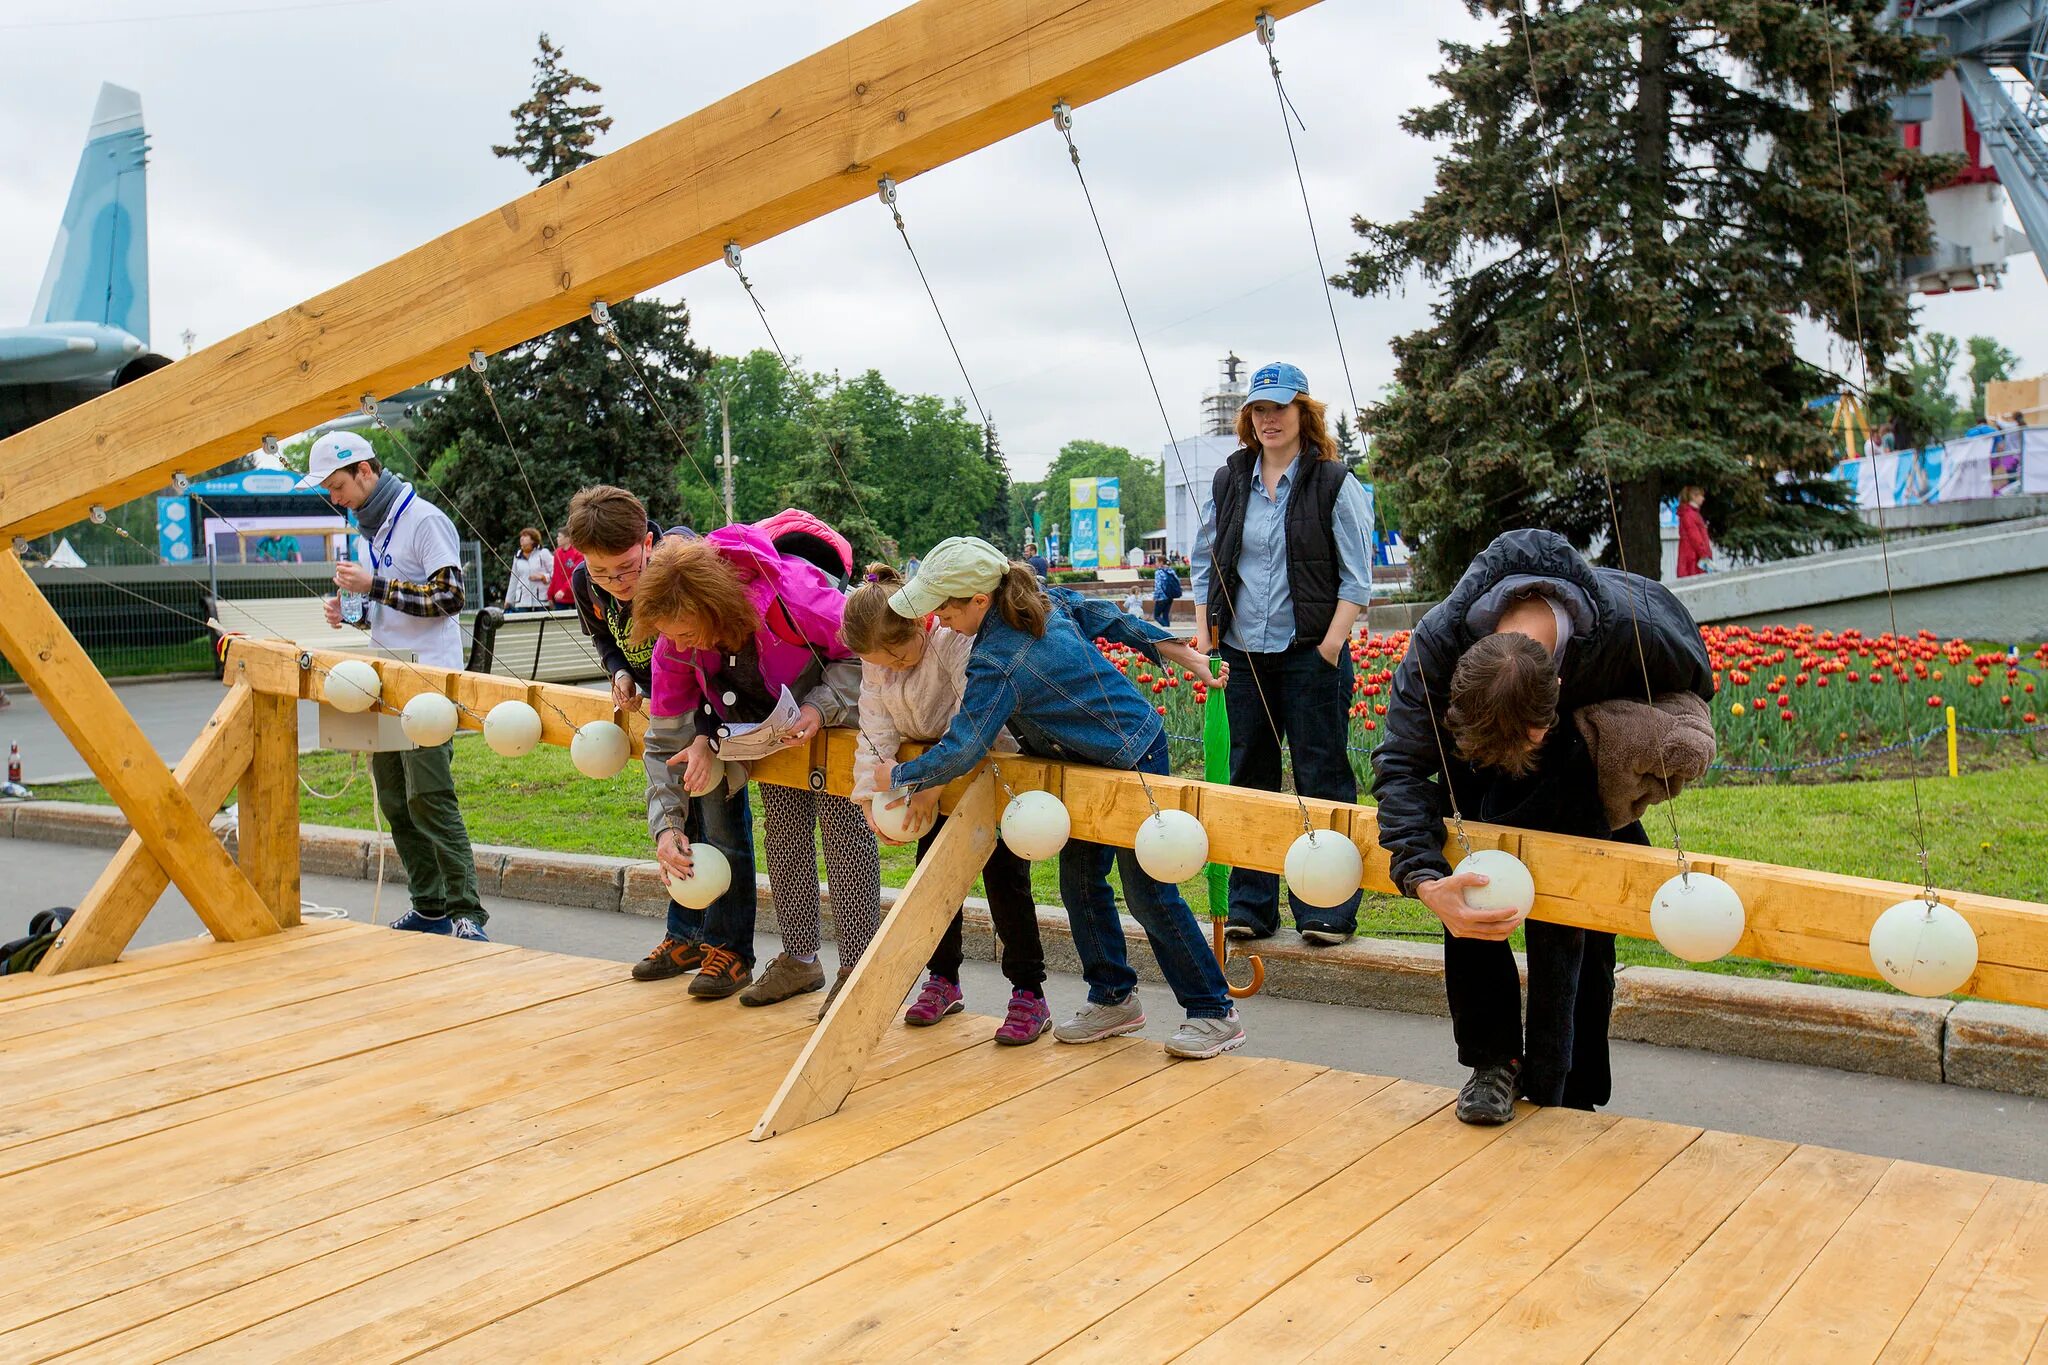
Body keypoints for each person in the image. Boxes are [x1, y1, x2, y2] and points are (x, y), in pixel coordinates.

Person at [1373, 528, 1712, 1124]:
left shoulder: (1637, 630)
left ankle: (1574, 1082)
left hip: (1582, 761)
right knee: (1473, 890)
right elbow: (1401, 764)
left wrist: (1638, 755)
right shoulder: (1437, 645)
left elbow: (1696, 688)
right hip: (1479, 773)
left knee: (1585, 918)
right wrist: (1425, 880)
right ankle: (1493, 1061)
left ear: (1551, 698)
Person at [885, 537, 1247, 1060]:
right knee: (1079, 885)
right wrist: (1184, 654)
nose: (938, 620)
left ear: (980, 600)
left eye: (944, 608)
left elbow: (964, 746)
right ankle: (1113, 997)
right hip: (1081, 765)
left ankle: (1213, 1010)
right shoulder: (1033, 600)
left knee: (1148, 892)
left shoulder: (999, 657)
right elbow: (1108, 617)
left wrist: (896, 775)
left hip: (1132, 754)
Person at [633, 527, 879, 1018]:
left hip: (835, 723)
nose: (676, 644)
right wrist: (667, 827)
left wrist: (821, 705)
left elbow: (863, 650)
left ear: (711, 606)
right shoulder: (673, 644)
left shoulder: (796, 598)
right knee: (784, 835)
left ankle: (860, 971)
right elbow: (663, 741)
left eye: (684, 633)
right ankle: (800, 960)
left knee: (843, 834)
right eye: (669, 635)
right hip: (772, 734)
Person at [1192, 361, 1374, 946]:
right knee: (1249, 778)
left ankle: (1327, 907)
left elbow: (1357, 578)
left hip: (1309, 654)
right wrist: (1205, 635)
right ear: (1249, 418)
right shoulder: (1230, 479)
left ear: (1303, 413)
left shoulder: (1334, 483)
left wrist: (1329, 647)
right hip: (1244, 655)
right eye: (1259, 410)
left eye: (1280, 408)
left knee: (1322, 778)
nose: (1269, 419)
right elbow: (1205, 562)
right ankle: (1252, 905)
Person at [841, 564, 1050, 1044]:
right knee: (934, 884)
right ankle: (943, 979)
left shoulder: (956, 643)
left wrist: (932, 783)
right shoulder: (878, 662)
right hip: (926, 783)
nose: (893, 667)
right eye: (882, 663)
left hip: (987, 776)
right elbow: (874, 731)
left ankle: (1029, 992)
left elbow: (969, 722)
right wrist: (871, 798)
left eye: (899, 656)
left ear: (920, 624)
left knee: (1005, 885)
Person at [564, 485, 757, 997]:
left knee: (722, 826)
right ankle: (686, 934)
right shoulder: (587, 583)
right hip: (663, 712)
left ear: (648, 543)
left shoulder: (683, 564)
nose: (617, 583)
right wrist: (619, 671)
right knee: (678, 824)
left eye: (626, 569)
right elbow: (603, 637)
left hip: (710, 710)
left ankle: (731, 949)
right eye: (602, 572)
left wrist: (708, 730)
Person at [304, 432, 489, 941]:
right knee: (394, 799)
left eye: (338, 486)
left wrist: (374, 587)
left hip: (428, 680)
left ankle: (467, 913)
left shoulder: (424, 520)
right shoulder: (371, 529)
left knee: (430, 796)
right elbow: (393, 610)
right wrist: (353, 612)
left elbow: (450, 597)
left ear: (364, 471)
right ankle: (429, 907)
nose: (335, 499)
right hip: (384, 679)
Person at [506, 526, 552, 610]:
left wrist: (543, 577)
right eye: (521, 536)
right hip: (522, 601)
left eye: (525, 536)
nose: (522, 538)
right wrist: (508, 600)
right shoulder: (517, 556)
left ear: (533, 540)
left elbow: (555, 572)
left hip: (541, 600)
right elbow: (514, 579)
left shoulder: (543, 553)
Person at [1675, 486, 1713, 579]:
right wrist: (1704, 554)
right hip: (1693, 556)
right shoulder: (1689, 514)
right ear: (1694, 496)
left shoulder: (1691, 513)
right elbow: (1695, 536)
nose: (1703, 499)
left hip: (1694, 555)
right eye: (1701, 496)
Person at [546, 529, 583, 607]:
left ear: (567, 539)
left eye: (559, 536)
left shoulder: (578, 553)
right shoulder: (557, 553)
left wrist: (564, 589)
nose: (557, 539)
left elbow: (576, 575)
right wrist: (550, 594)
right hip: (559, 597)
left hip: (575, 596)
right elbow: (555, 574)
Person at [1151, 562, 1181, 627]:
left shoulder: (1158, 572)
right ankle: (1168, 630)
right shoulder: (1171, 571)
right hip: (1170, 596)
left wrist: (1155, 597)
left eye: (1157, 561)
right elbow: (1178, 581)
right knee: (1165, 615)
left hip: (1161, 597)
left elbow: (1158, 586)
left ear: (1161, 562)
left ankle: (1166, 627)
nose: (1156, 563)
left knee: (1156, 616)